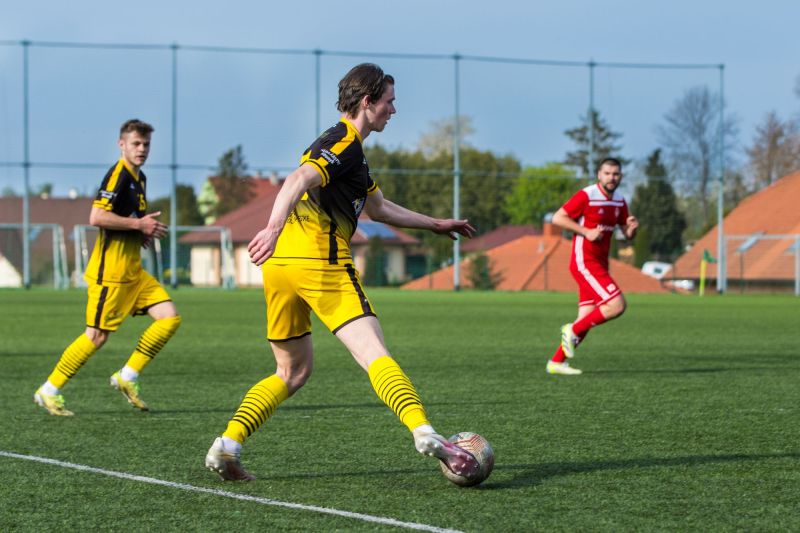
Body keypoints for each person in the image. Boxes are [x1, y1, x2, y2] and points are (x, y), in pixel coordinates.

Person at [204, 63, 480, 482]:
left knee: (292, 371)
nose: (394, 110)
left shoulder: (353, 155)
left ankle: (227, 445)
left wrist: (436, 224)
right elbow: (298, 178)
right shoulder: (344, 142)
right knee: (375, 354)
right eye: (389, 101)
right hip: (320, 262)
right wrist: (273, 228)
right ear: (367, 102)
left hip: (281, 270)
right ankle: (425, 433)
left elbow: (380, 208)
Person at [33, 119, 182, 415]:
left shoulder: (139, 178)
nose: (142, 150)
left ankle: (127, 376)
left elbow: (124, 220)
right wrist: (139, 223)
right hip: (111, 273)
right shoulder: (118, 176)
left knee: (169, 317)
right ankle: (49, 390)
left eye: (146, 145)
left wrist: (139, 232)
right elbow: (96, 217)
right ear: (122, 144)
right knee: (96, 336)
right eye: (136, 144)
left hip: (133, 272)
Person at [546, 157, 638, 375]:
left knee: (586, 317)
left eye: (615, 174)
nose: (611, 178)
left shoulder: (619, 200)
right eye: (607, 173)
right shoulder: (587, 195)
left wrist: (632, 229)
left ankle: (556, 362)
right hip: (584, 261)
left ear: (620, 176)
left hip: (601, 263)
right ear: (599, 174)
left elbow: (625, 234)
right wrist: (586, 232)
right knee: (616, 305)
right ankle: (571, 330)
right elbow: (558, 218)